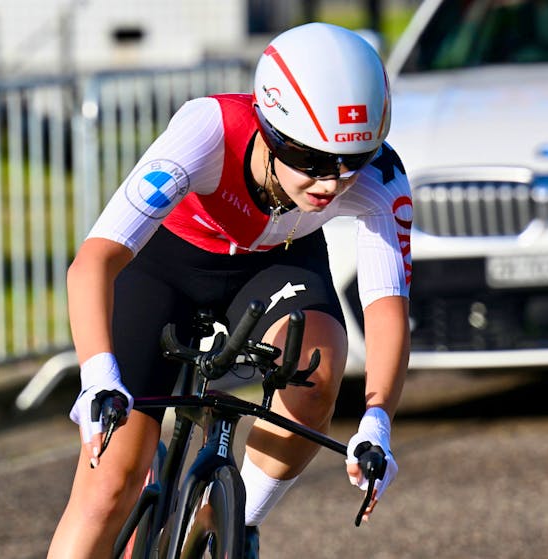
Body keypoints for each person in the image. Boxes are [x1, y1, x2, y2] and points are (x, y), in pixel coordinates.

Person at [47, 22, 412, 558]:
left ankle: (224, 526)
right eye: (310, 160)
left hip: (277, 264)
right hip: (165, 266)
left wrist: (377, 423)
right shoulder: (208, 129)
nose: (331, 184)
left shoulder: (381, 175)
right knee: (108, 487)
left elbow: (388, 308)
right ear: (269, 128)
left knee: (316, 373)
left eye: (351, 162)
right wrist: (98, 377)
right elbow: (92, 263)